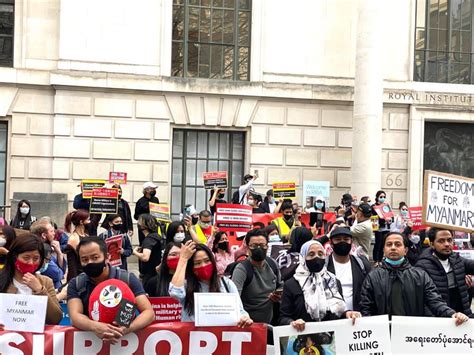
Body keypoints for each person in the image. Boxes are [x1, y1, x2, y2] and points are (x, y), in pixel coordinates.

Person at [359, 232, 469, 325]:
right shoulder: (372, 277)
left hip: (412, 336)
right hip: (384, 335)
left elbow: (434, 301)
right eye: (389, 244)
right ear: (384, 249)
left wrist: (451, 313)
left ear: (405, 250)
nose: (393, 247)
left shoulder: (420, 275)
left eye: (398, 244)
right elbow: (366, 308)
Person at [67, 237, 154, 342]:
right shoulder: (76, 284)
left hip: (128, 343)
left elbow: (149, 313)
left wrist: (128, 328)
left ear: (107, 257)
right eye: (84, 260)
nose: (90, 262)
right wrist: (95, 327)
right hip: (91, 345)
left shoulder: (127, 279)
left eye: (95, 257)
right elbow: (75, 316)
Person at [279, 240, 361, 330]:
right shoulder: (291, 285)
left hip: (332, 338)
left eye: (320, 254)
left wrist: (347, 314)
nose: (317, 257)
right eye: (311, 254)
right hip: (304, 338)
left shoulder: (333, 282)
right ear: (302, 258)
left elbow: (339, 312)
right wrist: (292, 323)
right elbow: (283, 318)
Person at [169, 241, 253, 327]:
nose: (203, 265)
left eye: (207, 261)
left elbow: (240, 311)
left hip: (221, 336)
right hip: (193, 337)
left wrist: (245, 318)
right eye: (197, 263)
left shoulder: (227, 284)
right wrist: (183, 259)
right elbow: (175, 292)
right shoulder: (186, 286)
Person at [0, 234, 62, 324]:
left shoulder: (46, 282)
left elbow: (56, 319)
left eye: (36, 258)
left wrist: (40, 291)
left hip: (34, 337)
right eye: (26, 258)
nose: (31, 262)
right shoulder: (2, 279)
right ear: (14, 257)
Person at [416, 228, 474, 317]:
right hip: (439, 321)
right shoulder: (422, 267)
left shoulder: (457, 259)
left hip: (463, 318)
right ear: (432, 244)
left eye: (449, 240)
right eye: (441, 241)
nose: (447, 244)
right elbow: (424, 300)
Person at [232, 228, 282, 324]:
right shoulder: (242, 269)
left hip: (270, 322)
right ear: (247, 247)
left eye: (262, 245)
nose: (259, 249)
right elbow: (234, 300)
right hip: (249, 324)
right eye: (254, 246)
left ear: (267, 246)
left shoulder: (272, 264)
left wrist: (278, 296)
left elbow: (280, 286)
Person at [326, 227, 371, 311]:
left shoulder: (362, 264)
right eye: (338, 239)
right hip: (333, 318)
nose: (342, 242)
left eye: (346, 239)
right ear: (331, 243)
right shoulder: (324, 265)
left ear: (351, 242)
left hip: (357, 317)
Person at [31, 220, 67, 289]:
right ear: (44, 235)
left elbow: (62, 270)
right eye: (51, 231)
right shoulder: (42, 250)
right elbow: (58, 275)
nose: (54, 234)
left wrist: (59, 252)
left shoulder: (49, 248)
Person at [133, 214, 162, 284]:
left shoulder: (149, 239)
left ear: (144, 225)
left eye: (139, 222)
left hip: (149, 275)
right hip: (155, 273)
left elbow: (145, 257)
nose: (138, 224)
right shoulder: (156, 236)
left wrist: (135, 252)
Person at [64, 210, 90, 282]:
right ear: (81, 222)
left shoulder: (86, 235)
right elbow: (72, 265)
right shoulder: (73, 239)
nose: (90, 222)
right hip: (79, 277)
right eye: (88, 220)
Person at [371, 190, 391, 265]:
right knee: (378, 244)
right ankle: (376, 260)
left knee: (383, 244)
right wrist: (381, 219)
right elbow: (373, 218)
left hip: (386, 227)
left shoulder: (386, 205)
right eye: (381, 197)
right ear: (377, 197)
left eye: (384, 197)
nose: (383, 198)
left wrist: (390, 220)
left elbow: (390, 215)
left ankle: (380, 260)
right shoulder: (374, 207)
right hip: (378, 228)